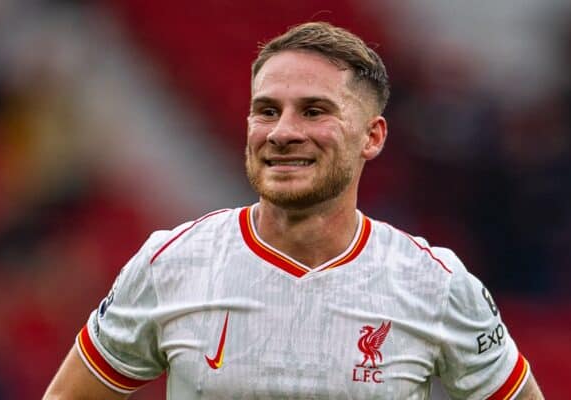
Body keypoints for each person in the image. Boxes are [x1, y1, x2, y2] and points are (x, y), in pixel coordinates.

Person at [44, 22, 544, 399]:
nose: (282, 132)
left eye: (313, 111)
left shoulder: (436, 284)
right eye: (266, 110)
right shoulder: (170, 263)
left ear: (372, 136)